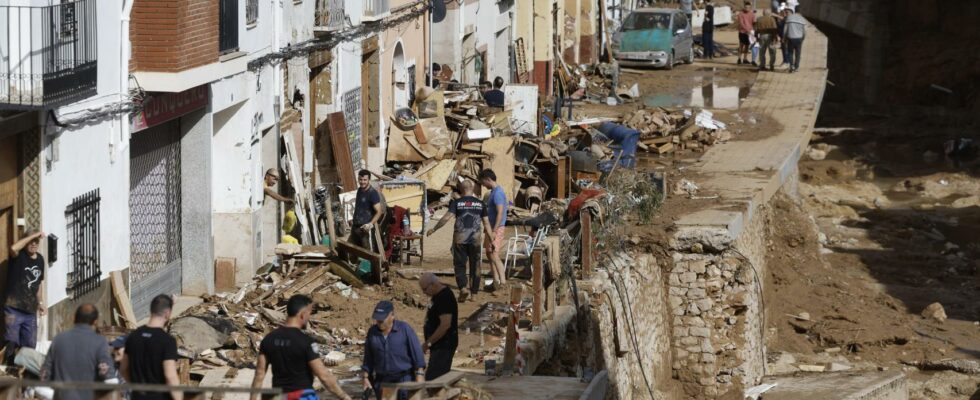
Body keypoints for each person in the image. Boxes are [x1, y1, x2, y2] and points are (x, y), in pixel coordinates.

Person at [252, 295, 352, 400]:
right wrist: (343, 396)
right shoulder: (306, 342)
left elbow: (259, 374)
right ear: (302, 314)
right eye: (309, 313)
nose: (309, 317)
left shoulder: (269, 339)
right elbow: (323, 375)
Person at [425, 180, 494, 301]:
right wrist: (492, 239)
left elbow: (446, 218)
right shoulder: (480, 203)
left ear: (461, 190)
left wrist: (434, 229)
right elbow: (487, 223)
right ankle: (474, 295)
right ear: (472, 189)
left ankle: (463, 288)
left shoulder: (457, 203)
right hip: (475, 239)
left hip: (460, 239)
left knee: (460, 265)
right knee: (476, 266)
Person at [40, 304, 115, 400]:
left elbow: (44, 375)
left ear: (74, 318)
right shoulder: (100, 342)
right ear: (95, 322)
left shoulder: (58, 339)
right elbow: (111, 380)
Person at [121, 295, 181, 400]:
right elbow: (170, 376)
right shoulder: (167, 341)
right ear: (168, 313)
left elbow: (123, 369)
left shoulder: (133, 336)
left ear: (151, 310)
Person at [361, 301, 425, 400]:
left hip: (404, 380)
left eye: (382, 319)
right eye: (377, 319)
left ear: (392, 315)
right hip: (383, 382)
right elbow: (368, 359)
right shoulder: (372, 333)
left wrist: (419, 376)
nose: (379, 322)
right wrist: (365, 378)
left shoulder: (404, 329)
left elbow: (417, 355)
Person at [4, 229, 46, 364]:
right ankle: (10, 371)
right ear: (26, 241)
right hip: (13, 308)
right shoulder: (18, 256)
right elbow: (13, 247)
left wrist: (40, 303)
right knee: (11, 342)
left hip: (30, 310)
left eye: (36, 242)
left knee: (29, 345)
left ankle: (25, 374)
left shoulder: (40, 259)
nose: (33, 244)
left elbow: (39, 283)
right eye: (30, 241)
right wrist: (34, 235)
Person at [418, 273, 458, 380]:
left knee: (434, 380)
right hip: (437, 346)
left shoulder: (444, 297)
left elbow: (445, 325)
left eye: (425, 289)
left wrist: (428, 343)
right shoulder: (436, 296)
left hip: (444, 345)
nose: (424, 292)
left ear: (433, 284)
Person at [478, 169, 507, 291]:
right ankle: (495, 281)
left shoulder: (498, 193)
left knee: (494, 254)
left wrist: (494, 231)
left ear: (488, 179)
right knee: (489, 254)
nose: (483, 185)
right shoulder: (493, 192)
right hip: (490, 228)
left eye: (483, 182)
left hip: (496, 228)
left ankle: (503, 282)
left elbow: (500, 213)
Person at [349, 170, 384, 251]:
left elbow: (379, 211)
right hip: (356, 227)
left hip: (365, 229)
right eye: (360, 179)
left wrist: (370, 224)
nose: (362, 182)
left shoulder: (373, 193)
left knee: (367, 253)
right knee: (352, 250)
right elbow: (359, 207)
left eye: (365, 180)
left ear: (369, 180)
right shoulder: (359, 190)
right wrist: (353, 219)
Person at [783, 8, 807, 72]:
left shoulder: (789, 18)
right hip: (799, 38)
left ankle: (791, 66)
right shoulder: (802, 19)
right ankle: (796, 67)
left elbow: (785, 30)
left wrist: (784, 38)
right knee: (798, 53)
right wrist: (803, 38)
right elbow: (805, 31)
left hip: (790, 38)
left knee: (790, 52)